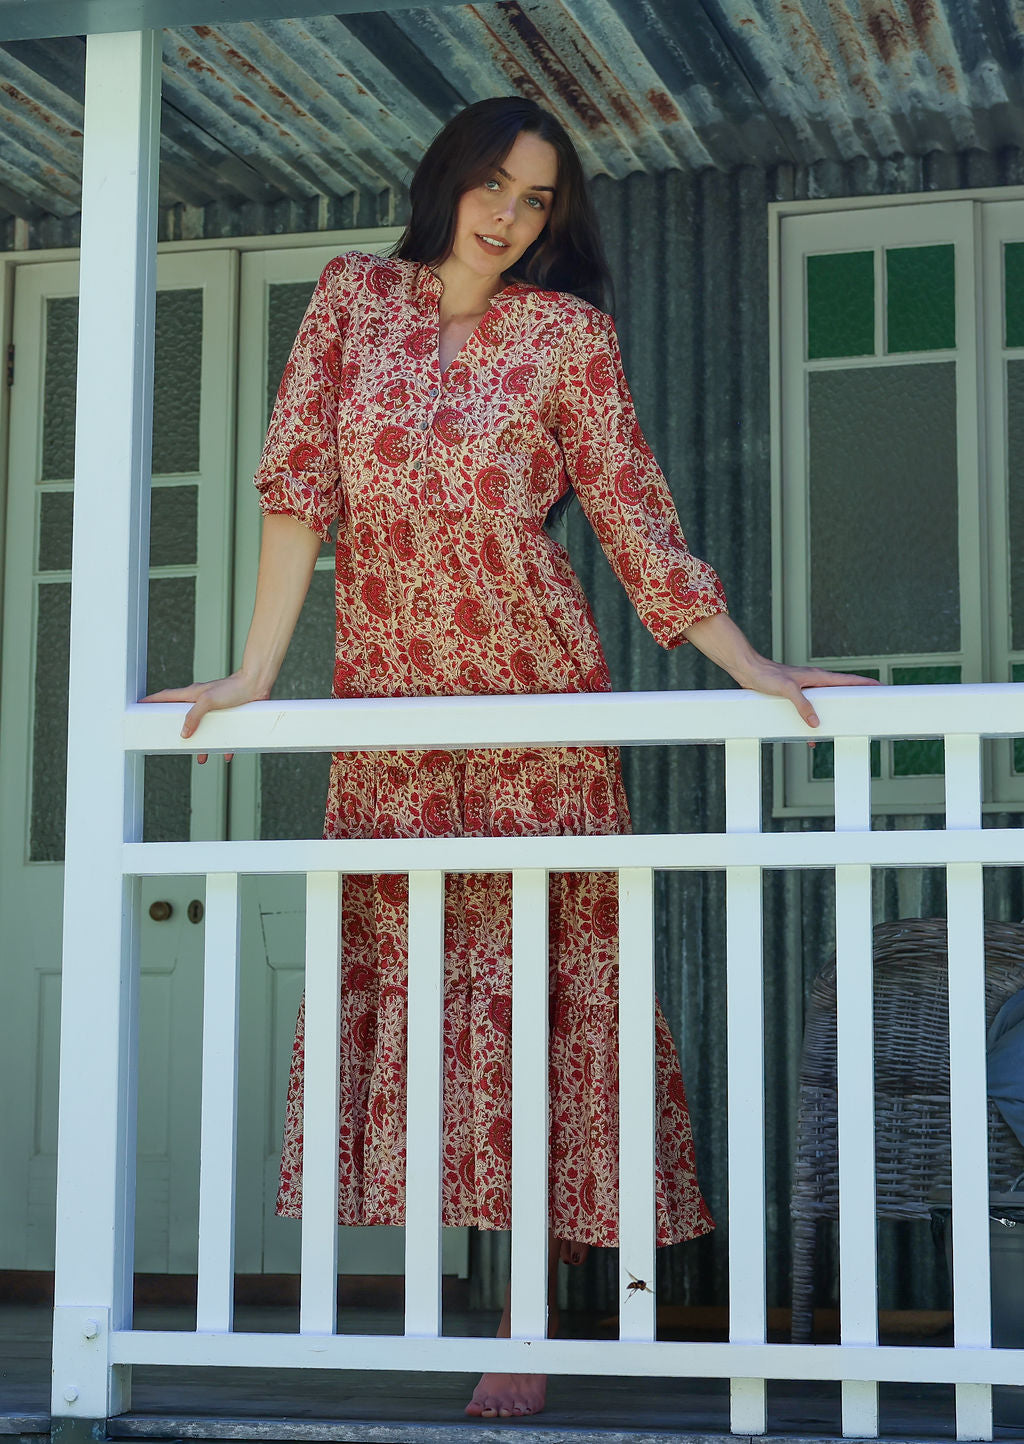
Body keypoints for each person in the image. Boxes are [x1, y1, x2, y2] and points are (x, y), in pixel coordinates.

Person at [144, 96, 877, 1419]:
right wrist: (255, 673)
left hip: (535, 700)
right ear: (448, 178)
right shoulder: (351, 299)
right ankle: (477, 1267)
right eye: (493, 182)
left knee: (540, 991)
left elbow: (633, 516)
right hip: (390, 712)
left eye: (536, 199)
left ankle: (526, 1311)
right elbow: (298, 489)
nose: (508, 213)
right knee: (429, 984)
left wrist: (754, 666)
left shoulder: (565, 336)